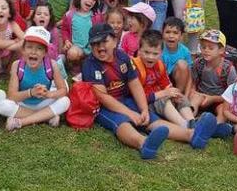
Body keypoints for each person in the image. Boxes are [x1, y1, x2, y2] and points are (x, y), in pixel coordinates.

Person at [82, 23, 218, 160]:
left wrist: (144, 110)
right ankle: (143, 143)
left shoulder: (122, 57)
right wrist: (130, 113)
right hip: (104, 107)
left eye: (104, 41)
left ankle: (191, 135)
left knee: (151, 119)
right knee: (122, 122)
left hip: (126, 99)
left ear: (115, 41)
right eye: (95, 44)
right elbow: (104, 97)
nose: (100, 47)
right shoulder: (90, 64)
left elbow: (134, 84)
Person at [0, 26, 71, 130]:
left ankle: (21, 122)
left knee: (65, 101)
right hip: (23, 104)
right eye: (29, 47)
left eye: (39, 48)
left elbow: (63, 90)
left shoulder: (52, 65)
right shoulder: (17, 65)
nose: (33, 52)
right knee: (3, 106)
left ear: (45, 52)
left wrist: (48, 94)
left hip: (44, 102)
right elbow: (12, 96)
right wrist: (31, 92)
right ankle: (46, 117)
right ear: (23, 50)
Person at [133, 30, 196, 129]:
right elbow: (136, 97)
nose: (150, 57)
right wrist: (164, 93)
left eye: (155, 54)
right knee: (163, 100)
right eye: (146, 52)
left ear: (161, 53)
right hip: (146, 104)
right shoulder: (135, 67)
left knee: (180, 97)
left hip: (161, 98)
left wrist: (174, 94)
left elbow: (166, 84)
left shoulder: (160, 65)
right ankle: (184, 125)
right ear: (139, 50)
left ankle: (192, 121)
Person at [188, 30, 237, 116]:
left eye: (211, 48)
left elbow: (232, 94)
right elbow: (193, 81)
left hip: (219, 99)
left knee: (223, 110)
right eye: (203, 47)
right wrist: (193, 91)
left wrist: (213, 99)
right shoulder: (199, 63)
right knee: (194, 101)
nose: (206, 50)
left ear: (221, 50)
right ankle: (190, 121)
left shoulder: (228, 69)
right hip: (201, 95)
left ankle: (218, 126)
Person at [60, 0, 104, 64]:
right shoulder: (69, 15)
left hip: (92, 50)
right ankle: (74, 65)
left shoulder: (97, 16)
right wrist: (66, 40)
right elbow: (64, 30)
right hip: (76, 48)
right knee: (73, 54)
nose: (91, 1)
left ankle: (88, 65)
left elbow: (101, 32)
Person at [161, 18, 192, 91]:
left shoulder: (185, 51)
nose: (171, 36)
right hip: (161, 82)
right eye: (167, 32)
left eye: (175, 33)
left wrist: (186, 96)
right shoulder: (158, 48)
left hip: (179, 82)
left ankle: (178, 95)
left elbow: (190, 76)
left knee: (182, 64)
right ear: (162, 33)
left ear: (181, 36)